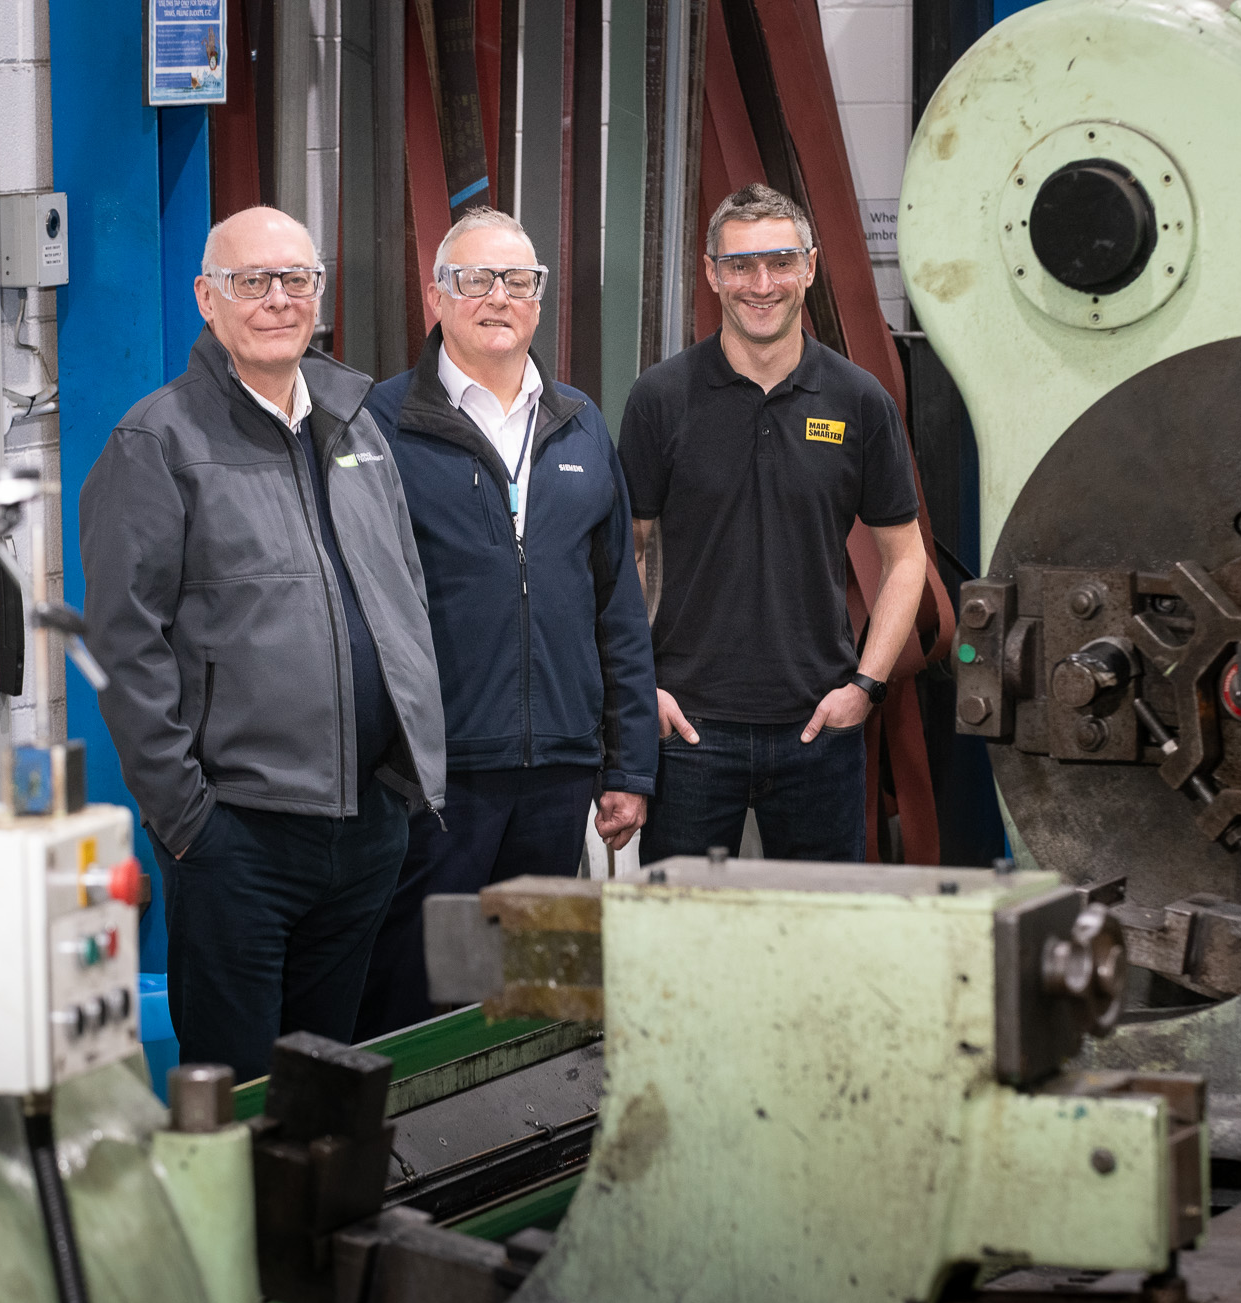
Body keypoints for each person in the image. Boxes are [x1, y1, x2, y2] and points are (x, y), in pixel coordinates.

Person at [80, 206, 446, 1080]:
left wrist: (401, 782)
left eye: (297, 280)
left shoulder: (356, 427)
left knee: (326, 1084)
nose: (279, 299)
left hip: (364, 829)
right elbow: (124, 645)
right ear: (209, 299)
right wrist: (188, 818)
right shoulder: (158, 442)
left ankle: (312, 1227)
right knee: (240, 1090)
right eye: (254, 282)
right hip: (238, 837)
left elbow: (404, 593)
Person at [356, 207, 656, 1037]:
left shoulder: (580, 424)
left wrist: (628, 762)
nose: (499, 297)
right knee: (417, 1002)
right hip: (435, 781)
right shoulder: (380, 428)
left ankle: (513, 1157)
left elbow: (617, 607)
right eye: (476, 279)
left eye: (518, 281)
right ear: (436, 297)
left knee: (528, 1004)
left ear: (539, 297)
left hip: (559, 770)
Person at [620, 184, 928, 863]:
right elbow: (623, 555)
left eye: (780, 261)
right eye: (740, 265)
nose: (762, 284)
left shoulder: (858, 401)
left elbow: (906, 559)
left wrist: (866, 687)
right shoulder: (660, 399)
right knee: (684, 945)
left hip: (819, 731)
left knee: (817, 945)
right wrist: (641, 688)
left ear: (810, 267)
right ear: (712, 274)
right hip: (690, 734)